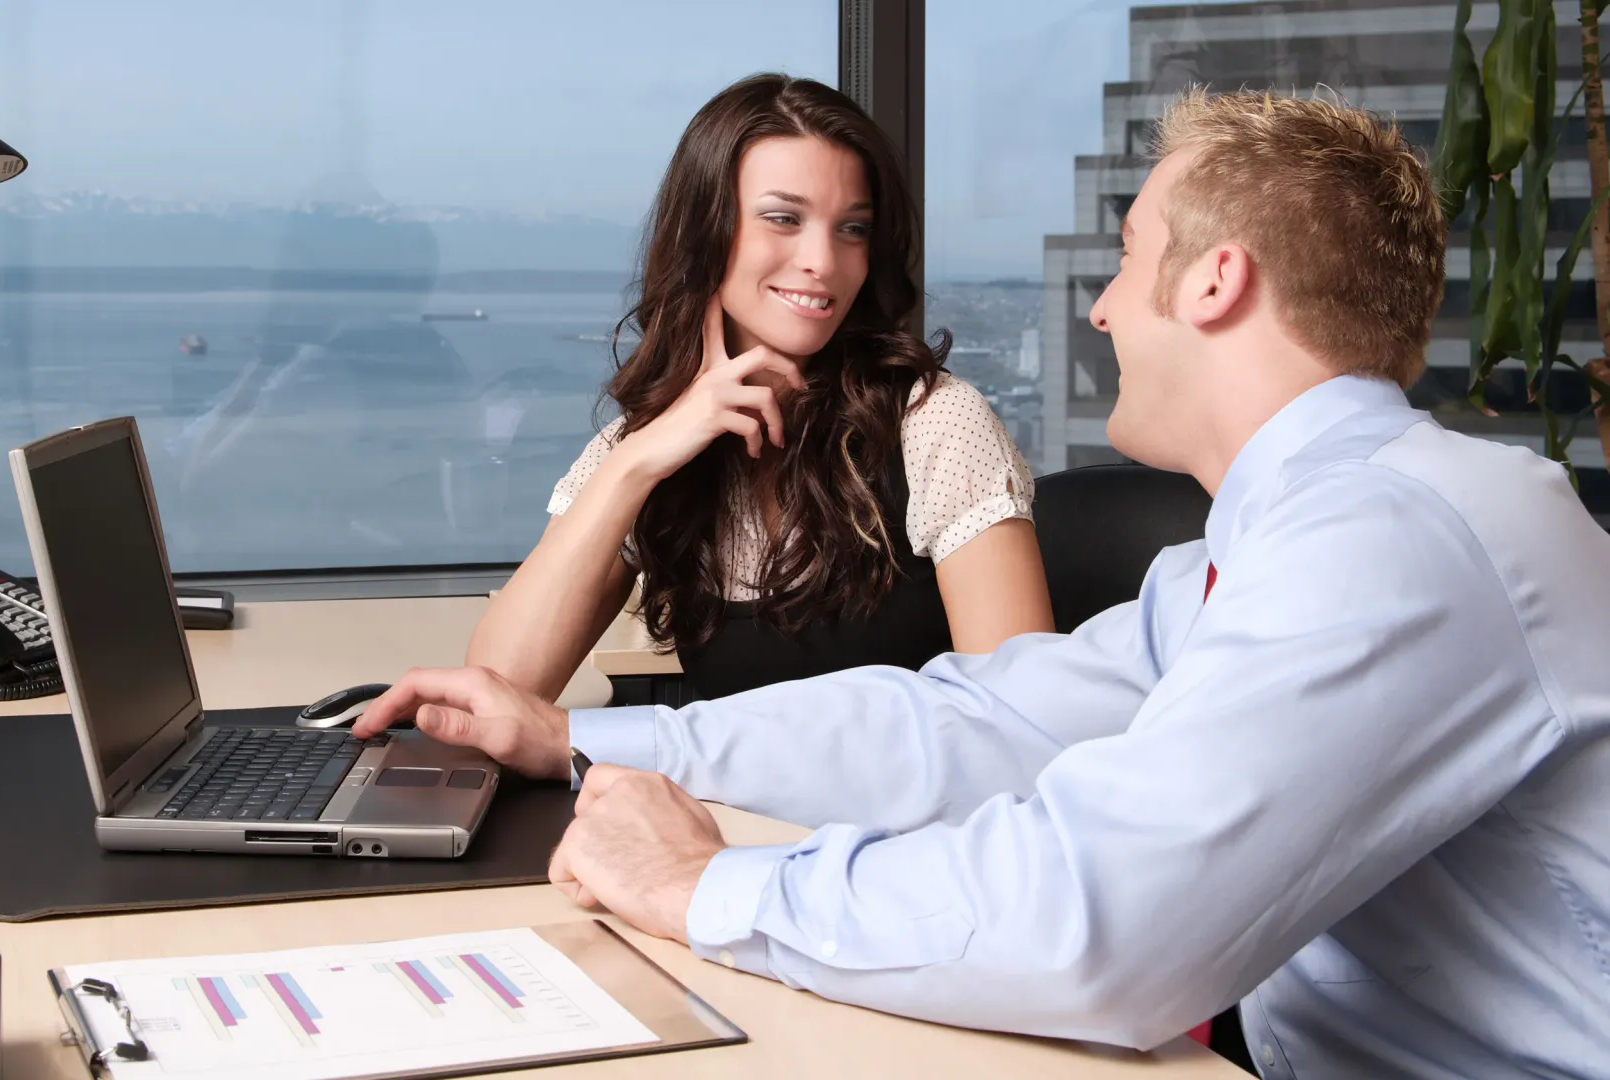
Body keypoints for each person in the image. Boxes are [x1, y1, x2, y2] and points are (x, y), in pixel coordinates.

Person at [359, 89, 1610, 1079]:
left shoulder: (1389, 542)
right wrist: (584, 739)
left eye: (1129, 258)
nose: (1106, 309)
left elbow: (1103, 923)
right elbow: (983, 714)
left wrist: (697, 888)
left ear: (1217, 281)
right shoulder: (1275, 545)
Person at [466, 74, 1052, 702]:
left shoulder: (937, 421)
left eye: (852, 228)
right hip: (717, 804)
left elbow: (1022, 720)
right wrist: (634, 463)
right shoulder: (652, 444)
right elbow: (498, 691)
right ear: (704, 232)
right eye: (783, 218)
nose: (823, 261)